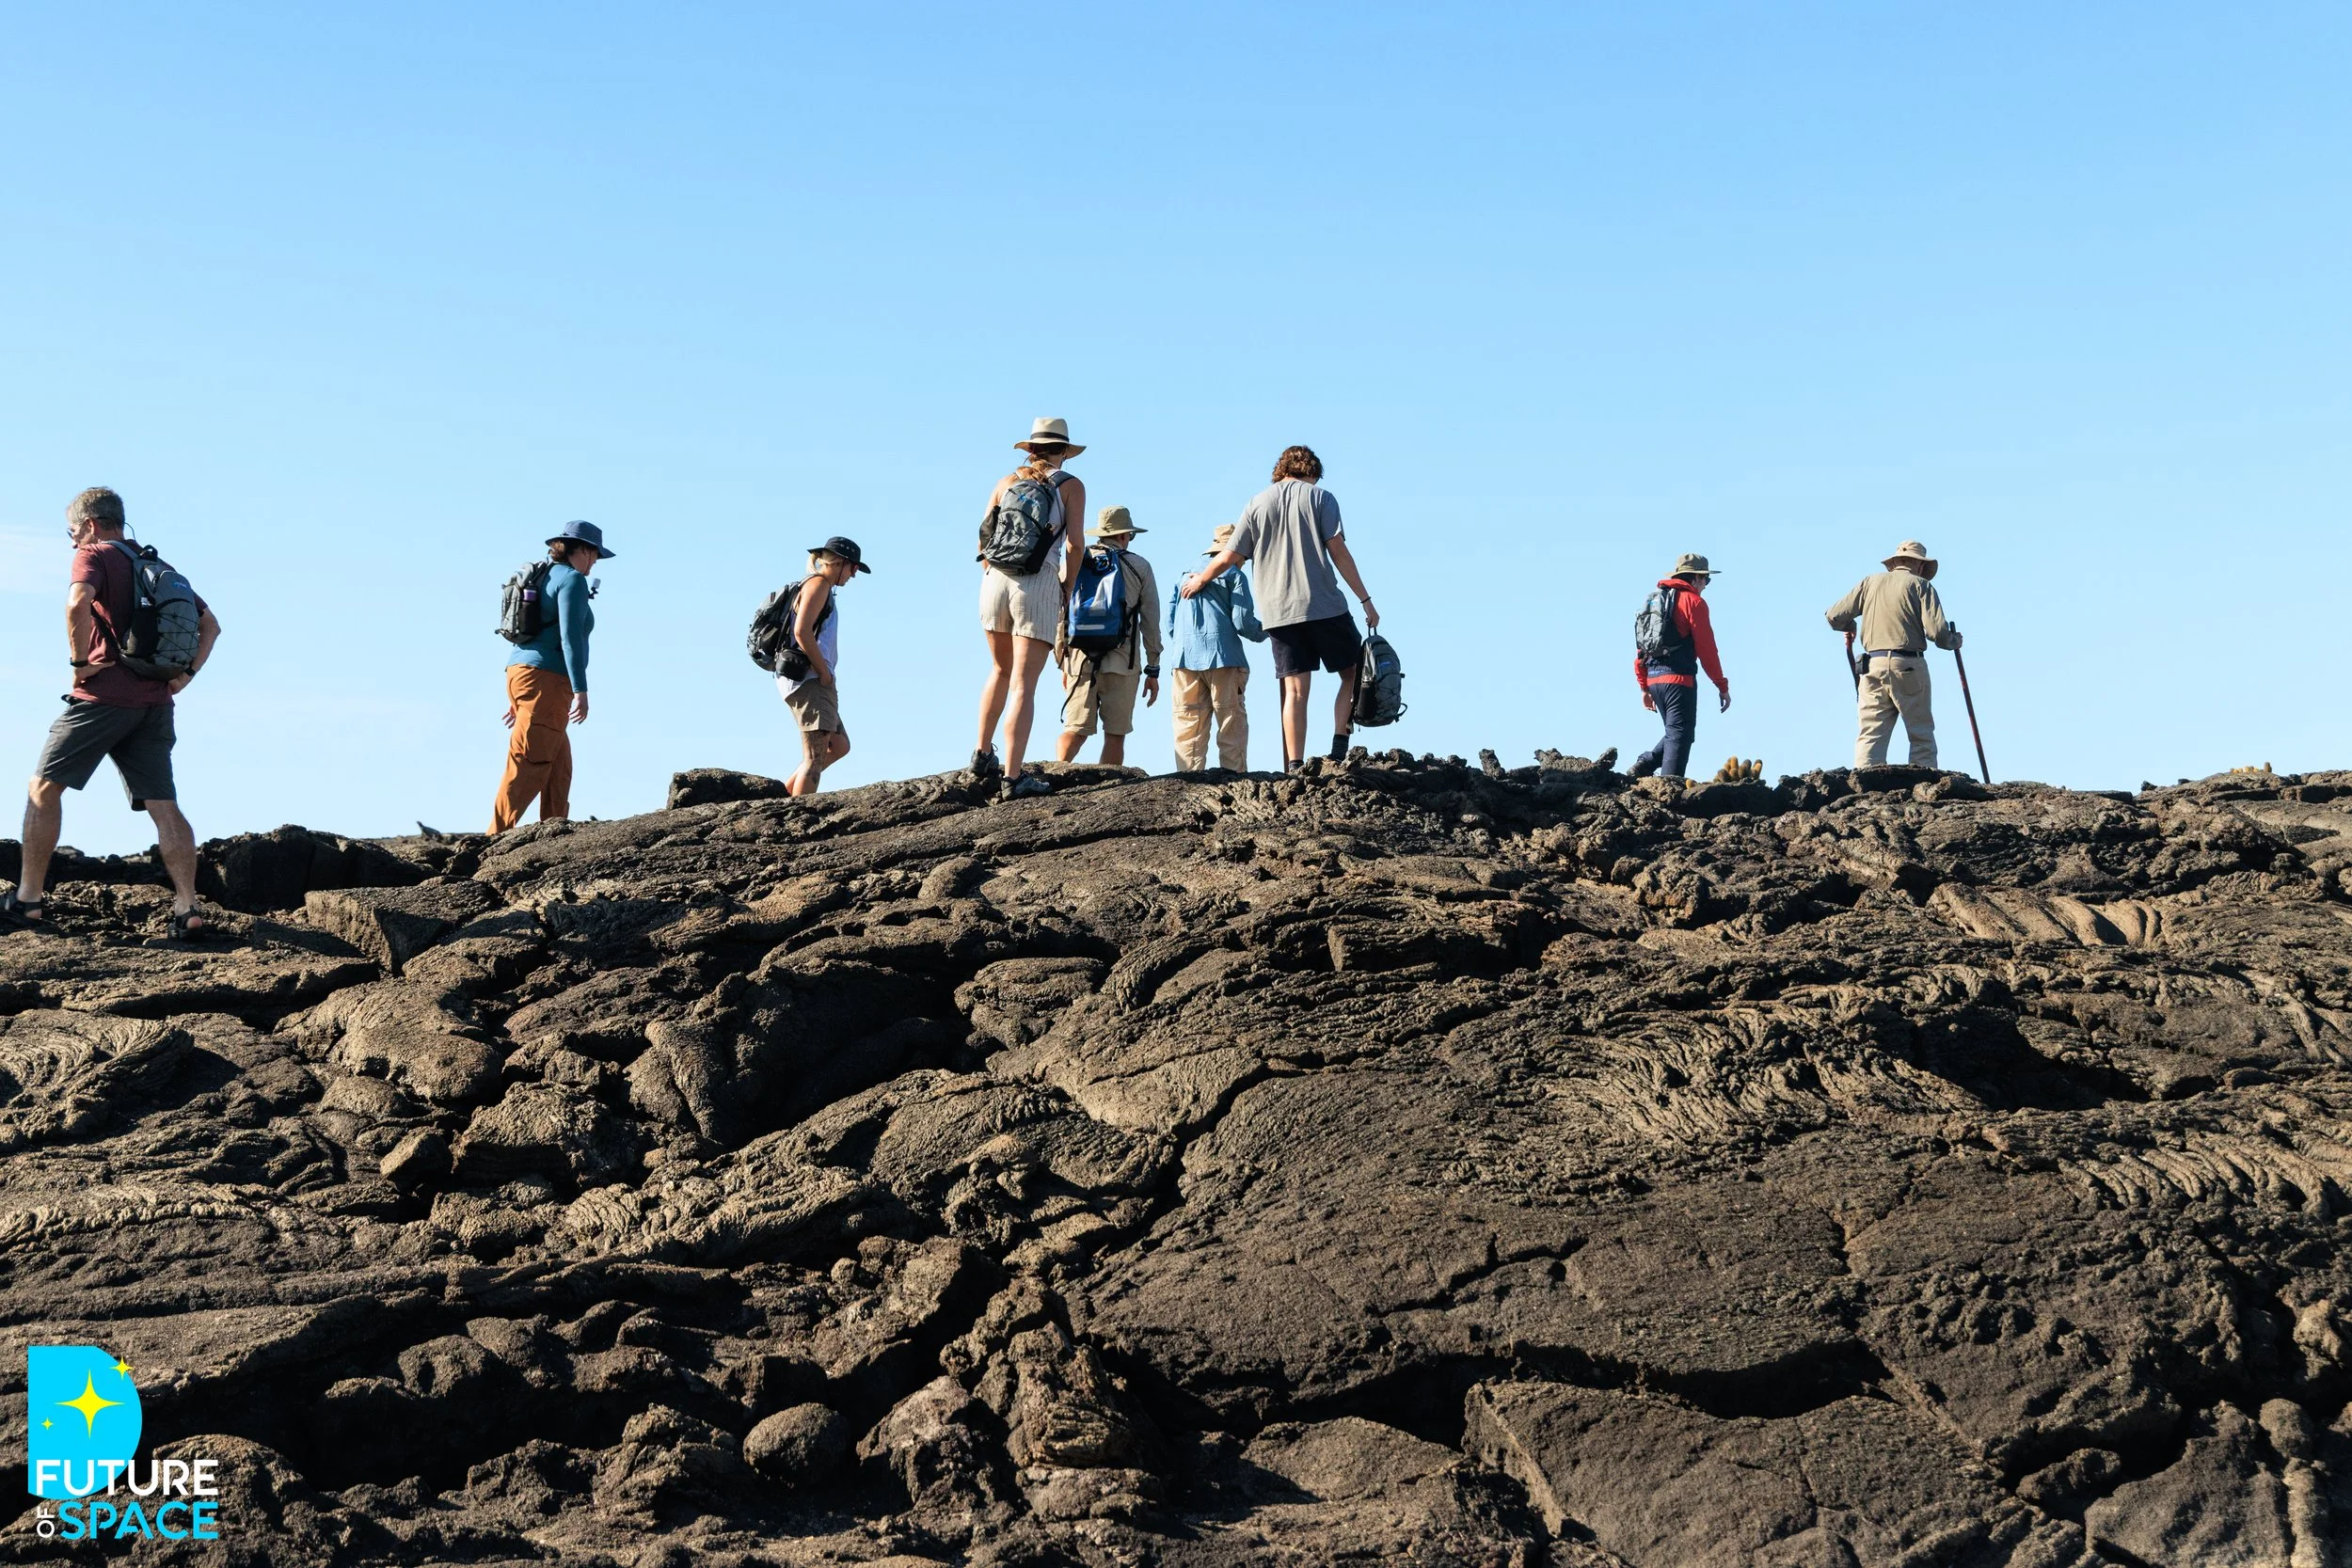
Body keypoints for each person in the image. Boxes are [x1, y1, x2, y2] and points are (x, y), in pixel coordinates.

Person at [4, 487, 222, 937]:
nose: (71, 543)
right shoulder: (158, 567)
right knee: (165, 805)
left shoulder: (95, 555)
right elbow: (211, 625)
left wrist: (80, 665)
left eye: (71, 532)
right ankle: (187, 908)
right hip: (156, 705)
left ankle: (27, 900)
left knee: (43, 787)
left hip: (103, 699)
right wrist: (185, 677)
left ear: (89, 524)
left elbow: (77, 602)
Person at [1180, 446, 1377, 770]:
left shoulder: (1256, 503)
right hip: (1323, 604)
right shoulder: (1320, 498)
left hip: (1278, 613)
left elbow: (1231, 557)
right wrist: (1365, 599)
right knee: (1354, 674)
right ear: (1311, 471)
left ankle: (1295, 766)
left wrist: (1201, 578)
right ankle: (1339, 750)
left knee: (1295, 691)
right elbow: (1338, 551)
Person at [976, 418, 1086, 799]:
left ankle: (981, 753)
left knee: (999, 670)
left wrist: (991, 570)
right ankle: (1012, 776)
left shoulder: (1006, 481)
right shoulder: (1070, 486)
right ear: (1064, 452)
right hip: (1036, 582)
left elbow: (983, 535)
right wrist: (1066, 587)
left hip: (994, 581)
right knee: (1024, 683)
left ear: (1031, 449)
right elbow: (1074, 544)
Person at [491, 521, 612, 832]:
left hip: (522, 675)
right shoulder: (572, 581)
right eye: (595, 554)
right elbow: (571, 638)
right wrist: (580, 690)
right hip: (547, 679)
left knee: (559, 766)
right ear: (583, 550)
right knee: (528, 764)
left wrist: (520, 699)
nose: (595, 561)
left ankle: (553, 832)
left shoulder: (543, 575)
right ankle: (493, 838)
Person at [1825, 540, 1963, 768]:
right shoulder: (1920, 586)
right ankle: (1925, 782)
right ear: (1919, 566)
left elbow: (1834, 616)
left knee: (1871, 732)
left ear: (1894, 563)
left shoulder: (1870, 582)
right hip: (1908, 665)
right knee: (1920, 732)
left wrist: (1849, 626)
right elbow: (1937, 632)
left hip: (1872, 666)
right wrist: (1953, 641)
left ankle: (1865, 788)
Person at [1056, 509, 1162, 767]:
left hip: (1080, 660)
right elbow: (1150, 621)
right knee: (1115, 735)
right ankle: (1109, 791)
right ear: (1125, 535)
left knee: (1075, 729)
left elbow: (1061, 611)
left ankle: (1055, 774)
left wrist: (1063, 659)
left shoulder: (1076, 561)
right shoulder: (1140, 567)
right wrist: (1153, 668)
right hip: (1123, 664)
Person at [1167, 522, 1264, 771]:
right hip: (1225, 658)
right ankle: (1234, 785)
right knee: (1230, 724)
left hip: (1184, 659)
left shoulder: (1184, 574)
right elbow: (1243, 622)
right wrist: (1269, 631)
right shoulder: (1234, 574)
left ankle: (1188, 784)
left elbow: (1170, 623)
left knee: (1188, 729)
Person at [778, 536, 869, 797]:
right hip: (810, 679)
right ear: (840, 562)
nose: (853, 575)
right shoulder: (818, 585)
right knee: (814, 758)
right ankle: (795, 817)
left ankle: (781, 796)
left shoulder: (819, 586)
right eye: (853, 568)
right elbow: (802, 631)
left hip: (810, 678)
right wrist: (823, 673)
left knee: (839, 745)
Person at [1629, 553, 1730, 781]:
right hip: (1678, 682)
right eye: (1706, 580)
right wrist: (1721, 685)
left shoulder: (1655, 600)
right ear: (1695, 579)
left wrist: (1644, 687)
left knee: (1678, 732)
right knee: (1680, 734)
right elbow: (1707, 649)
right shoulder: (1694, 603)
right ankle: (1668, 791)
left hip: (1655, 681)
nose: (1706, 585)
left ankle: (1644, 765)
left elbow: (1641, 647)